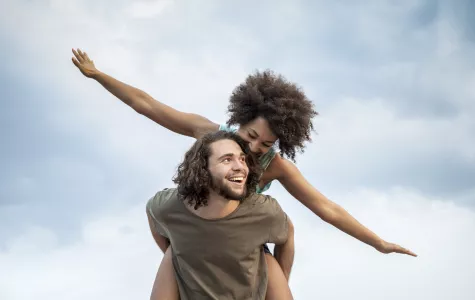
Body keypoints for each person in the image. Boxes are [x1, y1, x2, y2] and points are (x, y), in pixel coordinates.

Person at [71, 48, 417, 299]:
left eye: (265, 144)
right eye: (250, 136)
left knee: (279, 242)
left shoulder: (276, 166)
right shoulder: (209, 133)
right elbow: (146, 104)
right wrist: (98, 75)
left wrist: (378, 243)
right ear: (240, 121)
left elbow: (326, 209)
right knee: (175, 246)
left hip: (245, 242)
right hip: (196, 228)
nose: (252, 149)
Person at [147, 130, 294, 299]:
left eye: (242, 159)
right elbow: (152, 213)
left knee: (267, 259)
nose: (240, 167)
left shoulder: (262, 211)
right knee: (172, 254)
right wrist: (179, 253)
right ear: (203, 169)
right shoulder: (170, 206)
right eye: (227, 159)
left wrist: (281, 280)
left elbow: (287, 231)